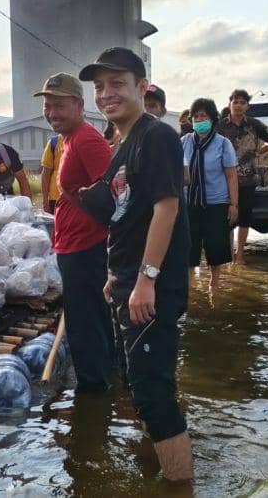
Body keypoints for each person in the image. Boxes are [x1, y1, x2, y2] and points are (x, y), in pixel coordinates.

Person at [79, 47, 193, 481]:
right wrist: (116, 275)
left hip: (152, 284)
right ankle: (157, 473)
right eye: (100, 87)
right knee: (140, 385)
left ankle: (181, 485)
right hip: (128, 281)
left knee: (153, 392)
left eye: (117, 84)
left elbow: (167, 209)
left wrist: (146, 280)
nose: (107, 94)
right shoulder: (123, 144)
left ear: (142, 88)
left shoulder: (156, 136)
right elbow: (128, 215)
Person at [35, 72, 115, 392]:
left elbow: (114, 193)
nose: (52, 112)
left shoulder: (87, 140)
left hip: (87, 246)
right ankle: (102, 380)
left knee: (85, 322)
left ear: (79, 105)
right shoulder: (67, 140)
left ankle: (94, 392)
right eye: (48, 106)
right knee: (88, 318)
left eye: (60, 106)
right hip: (71, 244)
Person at [182, 97, 238, 290]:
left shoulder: (223, 144)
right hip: (189, 202)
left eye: (203, 116)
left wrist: (233, 204)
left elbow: (231, 176)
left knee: (215, 242)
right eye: (196, 117)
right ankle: (191, 282)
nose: (199, 120)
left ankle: (214, 282)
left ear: (213, 118)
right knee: (190, 241)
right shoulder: (185, 142)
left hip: (216, 201)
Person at [217, 89, 268, 265]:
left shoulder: (254, 124)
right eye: (235, 102)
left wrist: (263, 150)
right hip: (224, 179)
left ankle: (240, 254)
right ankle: (227, 255)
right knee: (226, 219)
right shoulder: (220, 126)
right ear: (230, 104)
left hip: (248, 179)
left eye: (242, 102)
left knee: (244, 218)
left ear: (247, 106)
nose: (238, 105)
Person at [39, 133, 64, 214]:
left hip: (79, 198)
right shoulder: (54, 142)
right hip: (55, 198)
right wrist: (45, 202)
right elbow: (45, 174)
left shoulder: (83, 140)